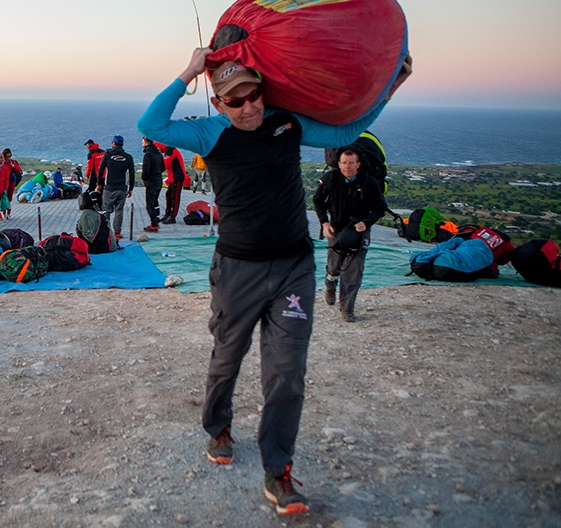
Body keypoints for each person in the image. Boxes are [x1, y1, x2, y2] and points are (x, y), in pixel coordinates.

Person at [138, 46, 405, 515]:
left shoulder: (287, 124)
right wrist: (189, 73)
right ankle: (218, 425)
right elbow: (151, 126)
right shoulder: (209, 133)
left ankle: (277, 471)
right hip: (237, 268)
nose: (248, 107)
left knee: (286, 373)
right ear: (219, 103)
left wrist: (391, 87)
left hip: (292, 268)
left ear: (263, 93)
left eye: (253, 96)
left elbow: (346, 131)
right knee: (227, 356)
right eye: (235, 101)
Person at [313, 147, 387, 322]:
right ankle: (330, 283)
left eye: (351, 163)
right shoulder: (330, 179)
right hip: (336, 228)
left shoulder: (369, 183)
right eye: (344, 163)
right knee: (334, 265)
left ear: (358, 164)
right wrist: (324, 222)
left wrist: (366, 222)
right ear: (338, 164)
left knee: (353, 270)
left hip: (359, 231)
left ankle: (347, 308)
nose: (347, 167)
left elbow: (380, 209)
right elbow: (318, 200)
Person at [94, 135, 134, 240]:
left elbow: (101, 170)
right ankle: (117, 233)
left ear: (114, 143)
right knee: (119, 210)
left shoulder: (107, 155)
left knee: (106, 210)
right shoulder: (128, 157)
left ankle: (106, 232)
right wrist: (131, 188)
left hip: (109, 187)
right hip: (122, 188)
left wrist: (99, 184)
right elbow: (132, 174)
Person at [140, 137, 165, 233]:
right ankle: (157, 220)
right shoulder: (158, 154)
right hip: (158, 180)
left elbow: (146, 169)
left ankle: (154, 224)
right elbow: (163, 167)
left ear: (146, 141)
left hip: (151, 181)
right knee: (155, 202)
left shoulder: (148, 154)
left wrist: (144, 178)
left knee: (149, 204)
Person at [161, 145, 187, 224]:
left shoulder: (170, 151)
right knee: (169, 195)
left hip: (177, 177)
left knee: (174, 196)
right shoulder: (170, 150)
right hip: (173, 177)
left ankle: (172, 216)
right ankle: (168, 213)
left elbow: (165, 165)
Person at [0, 149, 22, 220]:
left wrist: (12, 165)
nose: (8, 158)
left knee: (8, 199)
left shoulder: (11, 162)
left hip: (10, 182)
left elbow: (19, 170)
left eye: (10, 156)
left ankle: (7, 214)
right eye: (7, 156)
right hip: (1, 184)